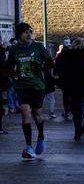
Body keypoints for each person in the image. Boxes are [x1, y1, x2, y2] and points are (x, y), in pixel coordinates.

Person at [5, 23, 53, 159]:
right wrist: (12, 75)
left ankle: (41, 136)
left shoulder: (38, 47)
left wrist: (41, 68)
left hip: (37, 86)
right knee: (25, 112)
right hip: (22, 86)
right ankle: (28, 146)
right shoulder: (14, 49)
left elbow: (50, 62)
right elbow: (8, 66)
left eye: (30, 32)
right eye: (25, 32)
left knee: (37, 114)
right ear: (19, 34)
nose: (28, 35)